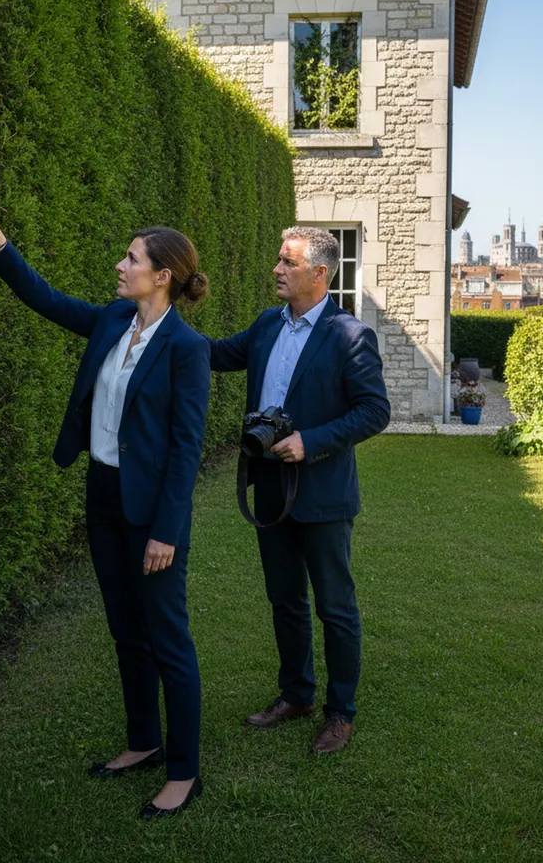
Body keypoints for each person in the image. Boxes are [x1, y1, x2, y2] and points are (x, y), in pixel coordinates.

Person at [0, 190, 210, 819]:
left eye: (131, 259)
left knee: (167, 639)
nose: (119, 267)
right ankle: (142, 743)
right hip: (102, 494)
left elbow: (185, 450)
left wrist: (167, 532)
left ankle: (183, 772)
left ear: (162, 276)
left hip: (152, 512)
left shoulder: (186, 349)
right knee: (126, 630)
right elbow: (45, 300)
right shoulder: (110, 321)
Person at [207, 226, 390, 754]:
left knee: (335, 607)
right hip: (269, 489)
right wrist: (162, 315)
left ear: (319, 274)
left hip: (324, 494)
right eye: (279, 261)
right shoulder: (266, 324)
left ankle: (341, 712)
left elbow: (375, 411)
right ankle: (296, 695)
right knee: (284, 600)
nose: (276, 270)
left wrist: (311, 441)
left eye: (287, 262)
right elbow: (218, 355)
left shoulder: (350, 335)